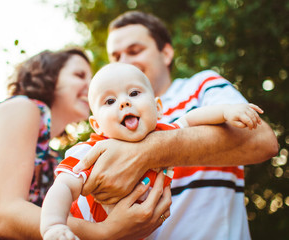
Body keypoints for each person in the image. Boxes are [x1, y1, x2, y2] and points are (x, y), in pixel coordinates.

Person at [71, 11, 279, 240]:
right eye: (116, 56)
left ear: (166, 53)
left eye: (134, 51)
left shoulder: (201, 86)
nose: (124, 62)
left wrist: (144, 152)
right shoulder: (110, 123)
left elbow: (263, 140)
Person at [40, 62, 264, 240]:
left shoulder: (164, 133)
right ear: (96, 124)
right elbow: (63, 187)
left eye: (134, 93)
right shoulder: (90, 152)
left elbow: (193, 118)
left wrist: (227, 111)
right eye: (109, 101)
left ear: (158, 108)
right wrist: (54, 225)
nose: (124, 103)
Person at [0, 48, 171, 240]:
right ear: (49, 76)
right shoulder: (22, 108)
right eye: (79, 75)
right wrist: (105, 232)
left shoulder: (54, 159)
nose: (90, 85)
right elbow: (5, 217)